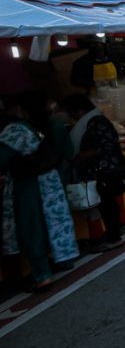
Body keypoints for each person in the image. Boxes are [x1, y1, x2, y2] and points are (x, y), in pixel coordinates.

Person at [0, 94, 78, 290]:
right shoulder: (49, 124)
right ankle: (64, 260)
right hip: (51, 180)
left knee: (31, 228)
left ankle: (42, 276)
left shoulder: (15, 130)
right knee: (54, 222)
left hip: (28, 185)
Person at [63, 94, 125, 253]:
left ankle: (114, 238)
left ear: (79, 111)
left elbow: (107, 145)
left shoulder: (96, 121)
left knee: (107, 203)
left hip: (104, 170)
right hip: (101, 169)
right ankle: (113, 234)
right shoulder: (92, 120)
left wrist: (85, 155)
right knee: (107, 203)